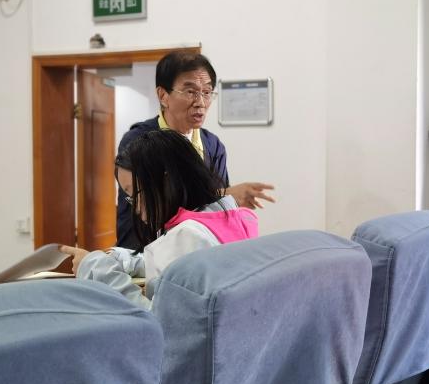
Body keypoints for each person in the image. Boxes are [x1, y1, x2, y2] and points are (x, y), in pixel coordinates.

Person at [64, 129, 258, 308]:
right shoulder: (226, 215)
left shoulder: (186, 235)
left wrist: (94, 267)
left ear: (167, 180)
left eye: (135, 194)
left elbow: (153, 319)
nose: (135, 207)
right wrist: (123, 259)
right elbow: (177, 267)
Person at [115, 50, 274, 249]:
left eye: (207, 92)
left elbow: (217, 214)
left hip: (196, 250)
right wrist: (226, 194)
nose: (200, 103)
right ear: (163, 96)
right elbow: (153, 203)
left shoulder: (212, 145)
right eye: (190, 92)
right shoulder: (139, 140)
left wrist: (228, 200)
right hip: (145, 250)